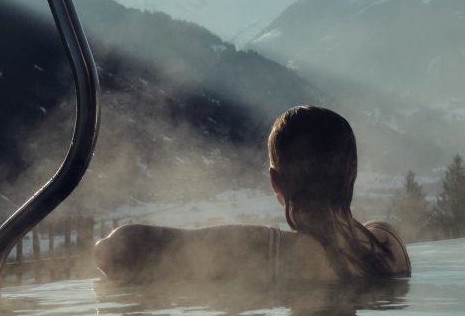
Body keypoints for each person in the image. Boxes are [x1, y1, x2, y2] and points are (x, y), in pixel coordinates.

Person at [93, 106, 411, 284]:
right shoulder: (389, 242)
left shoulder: (274, 253)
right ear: (353, 172)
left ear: (275, 182)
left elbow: (118, 250)